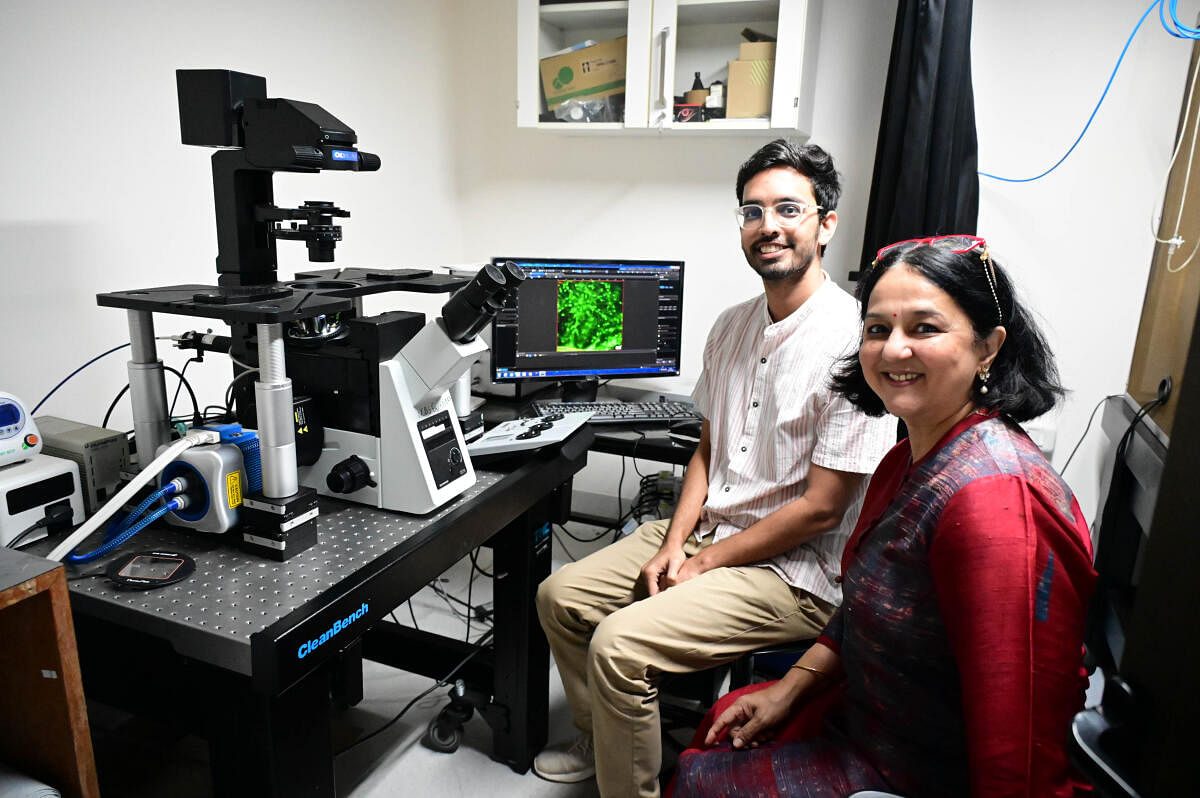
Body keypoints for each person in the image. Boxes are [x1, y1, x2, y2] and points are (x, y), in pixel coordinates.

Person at [533, 139, 897, 798]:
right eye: (753, 212)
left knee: (619, 644)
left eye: (789, 208)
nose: (769, 227)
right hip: (708, 534)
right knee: (559, 598)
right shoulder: (731, 326)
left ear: (826, 223)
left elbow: (823, 507)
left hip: (793, 572)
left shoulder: (853, 343)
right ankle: (602, 736)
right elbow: (707, 448)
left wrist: (700, 565)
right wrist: (674, 544)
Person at [672, 236, 1097, 797]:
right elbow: (868, 602)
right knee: (722, 725)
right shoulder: (908, 456)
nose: (894, 350)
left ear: (988, 347)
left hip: (920, 771)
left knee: (701, 779)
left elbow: (1016, 751)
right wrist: (791, 687)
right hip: (868, 721)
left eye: (925, 328)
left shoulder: (994, 503)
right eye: (877, 329)